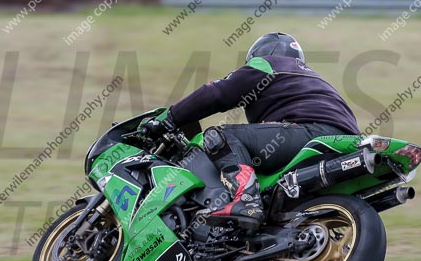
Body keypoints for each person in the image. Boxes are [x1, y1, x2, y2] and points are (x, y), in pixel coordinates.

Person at [145, 32, 360, 231]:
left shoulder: (268, 64)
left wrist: (170, 117)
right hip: (346, 142)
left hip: (310, 133)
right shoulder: (314, 79)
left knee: (220, 136)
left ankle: (246, 201)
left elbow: (217, 93)